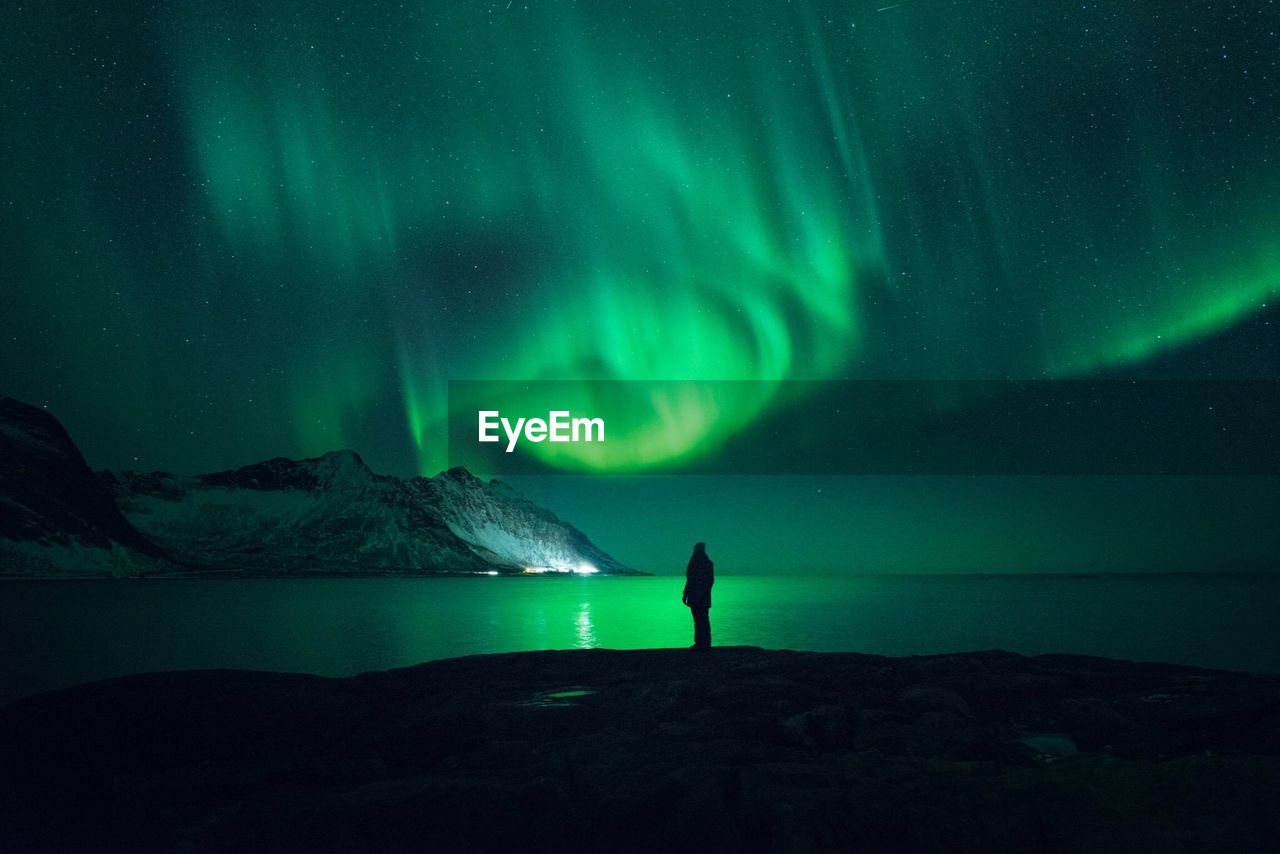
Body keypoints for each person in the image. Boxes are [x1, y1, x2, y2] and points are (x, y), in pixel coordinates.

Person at [682, 541, 714, 650]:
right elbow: (709, 581)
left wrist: (686, 594)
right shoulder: (708, 563)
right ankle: (705, 644)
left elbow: (690, 579)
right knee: (703, 620)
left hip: (696, 597)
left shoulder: (694, 561)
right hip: (703, 597)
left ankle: (700, 644)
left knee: (699, 620)